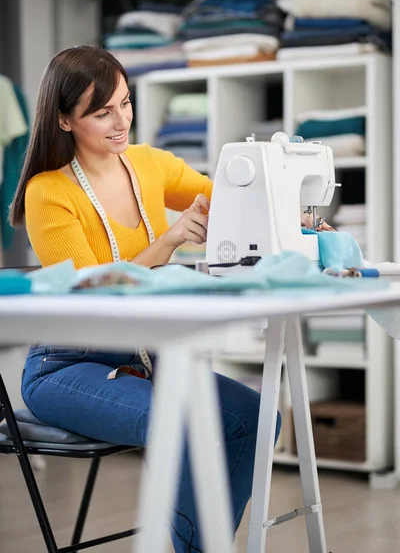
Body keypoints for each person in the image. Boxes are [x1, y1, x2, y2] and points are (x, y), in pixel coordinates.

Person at [9, 45, 281, 553]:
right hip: (65, 367)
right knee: (185, 422)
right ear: (65, 119)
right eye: (102, 111)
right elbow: (93, 294)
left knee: (258, 418)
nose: (121, 121)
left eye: (126, 103)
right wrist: (169, 240)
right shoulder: (49, 193)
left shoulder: (150, 164)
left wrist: (294, 219)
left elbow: (232, 201)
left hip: (145, 362)